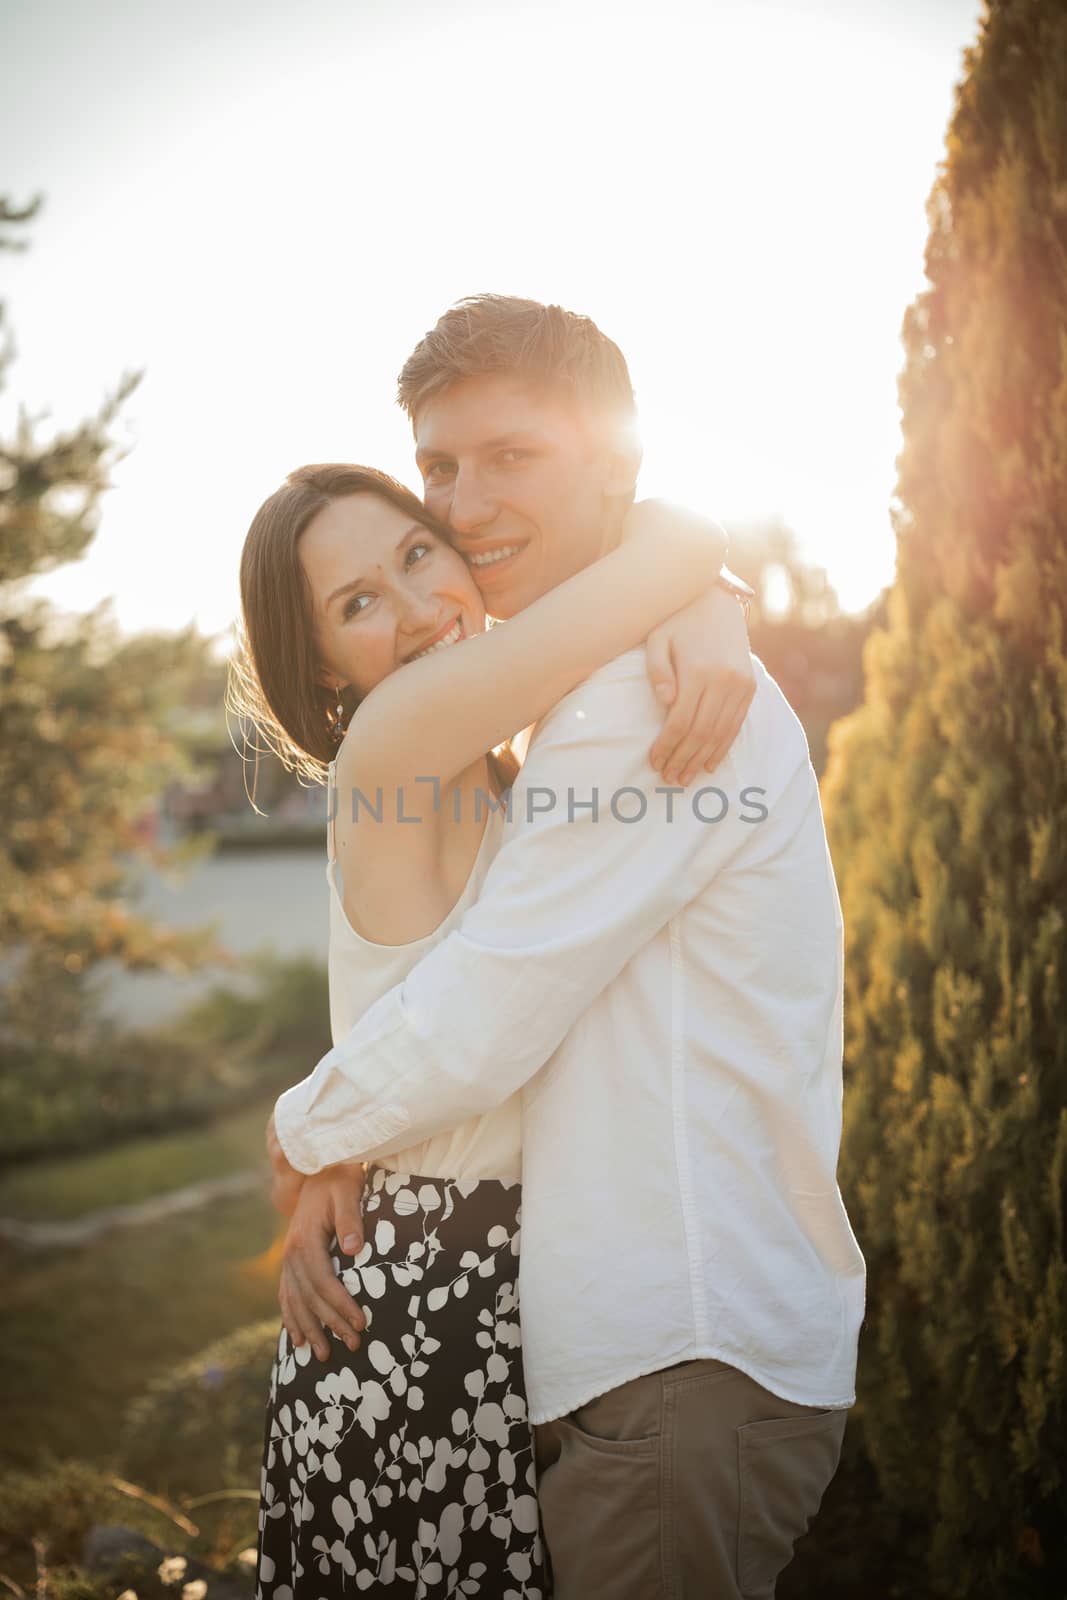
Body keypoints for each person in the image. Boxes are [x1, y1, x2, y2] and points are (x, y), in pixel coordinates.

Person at [268, 295, 867, 1598]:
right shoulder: (513, 721)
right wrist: (692, 576)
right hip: (547, 1332)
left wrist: (309, 1130)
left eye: (509, 458)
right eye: (441, 467)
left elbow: (487, 1011)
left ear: (614, 459)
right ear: (313, 658)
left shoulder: (632, 710)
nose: (464, 512)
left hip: (670, 1353)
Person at [234, 455, 755, 1597]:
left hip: (498, 1279)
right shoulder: (395, 745)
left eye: (417, 553)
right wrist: (703, 586)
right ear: (320, 667)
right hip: (422, 1303)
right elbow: (660, 546)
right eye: (357, 604)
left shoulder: (506, 777)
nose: (420, 609)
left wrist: (709, 601)